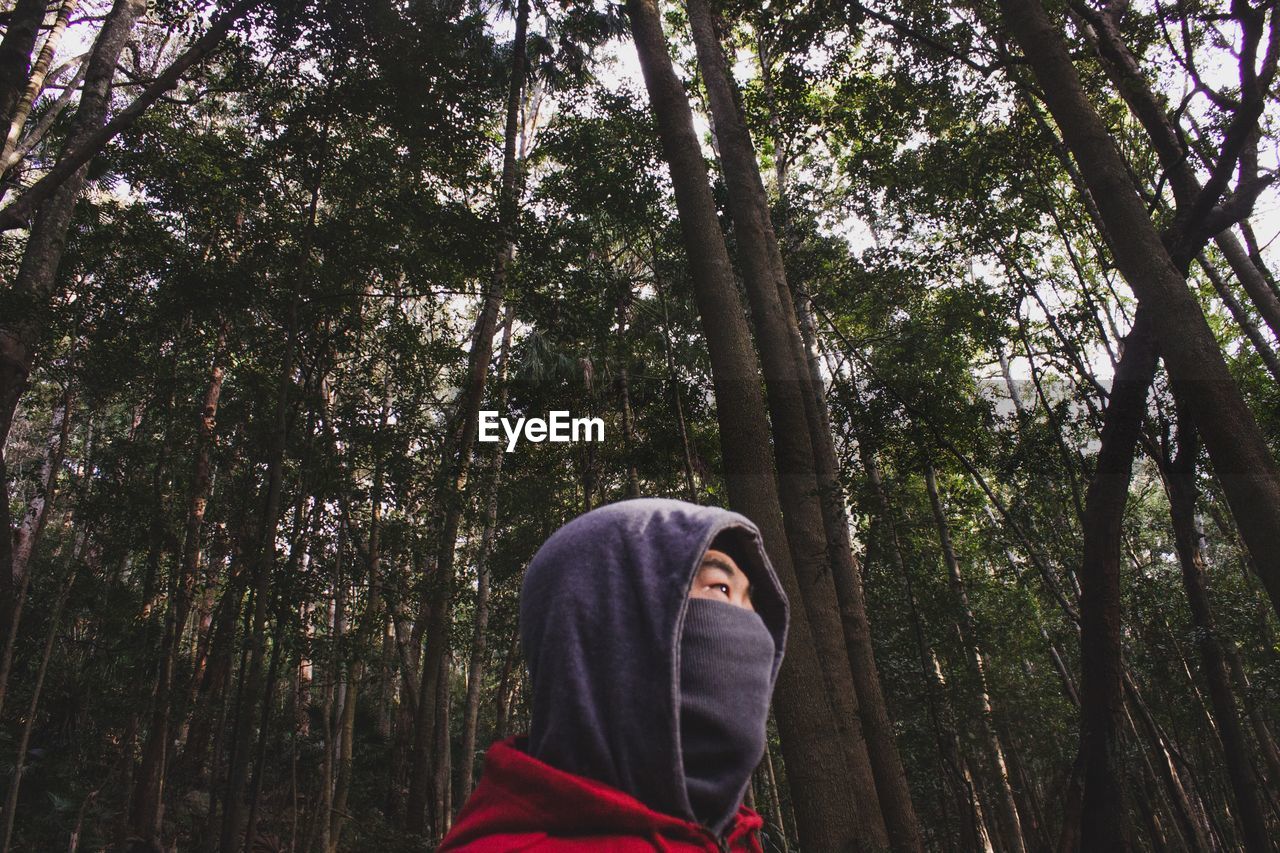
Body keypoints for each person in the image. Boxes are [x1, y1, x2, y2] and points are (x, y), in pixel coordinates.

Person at [438, 497, 789, 852]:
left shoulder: (736, 836)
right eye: (720, 588)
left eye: (751, 602)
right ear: (607, 625)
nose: (754, 629)